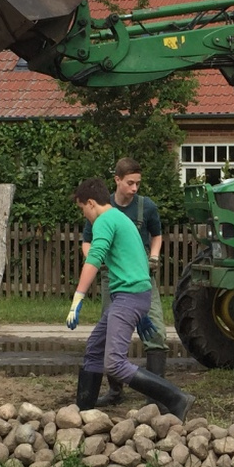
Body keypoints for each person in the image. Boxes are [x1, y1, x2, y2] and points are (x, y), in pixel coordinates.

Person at [68, 177, 194, 421]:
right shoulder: (121, 218)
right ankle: (84, 413)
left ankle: (176, 398)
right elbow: (134, 263)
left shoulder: (104, 221)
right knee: (95, 347)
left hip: (129, 297)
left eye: (82, 209)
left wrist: (77, 298)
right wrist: (143, 311)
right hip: (132, 295)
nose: (84, 215)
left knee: (114, 362)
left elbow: (94, 258)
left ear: (91, 203)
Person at [81, 157, 167, 407]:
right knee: (110, 335)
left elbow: (157, 235)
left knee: (156, 333)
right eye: (130, 183)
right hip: (114, 280)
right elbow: (88, 242)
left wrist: (153, 257)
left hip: (142, 278)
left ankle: (156, 397)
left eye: (138, 183)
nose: (135, 188)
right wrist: (96, 260)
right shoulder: (100, 206)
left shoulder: (146, 207)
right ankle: (116, 392)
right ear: (117, 180)